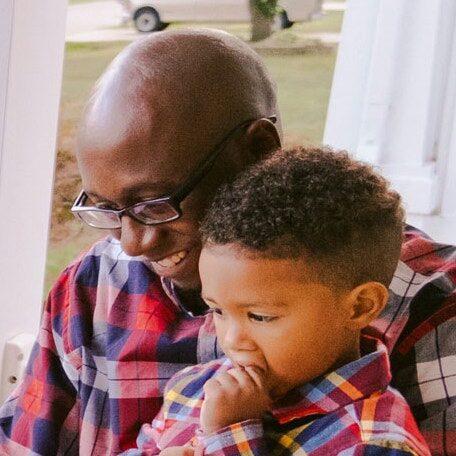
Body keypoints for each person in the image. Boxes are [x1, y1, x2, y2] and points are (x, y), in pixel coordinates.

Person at [0, 28, 454, 455]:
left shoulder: (432, 306)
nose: (133, 244)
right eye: (107, 210)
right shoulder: (93, 286)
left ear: (259, 150)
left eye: (155, 203)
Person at [122, 147, 430, 455]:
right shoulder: (193, 387)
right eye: (217, 310)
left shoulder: (376, 442)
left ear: (360, 306)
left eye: (260, 316)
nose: (231, 341)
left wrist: (228, 436)